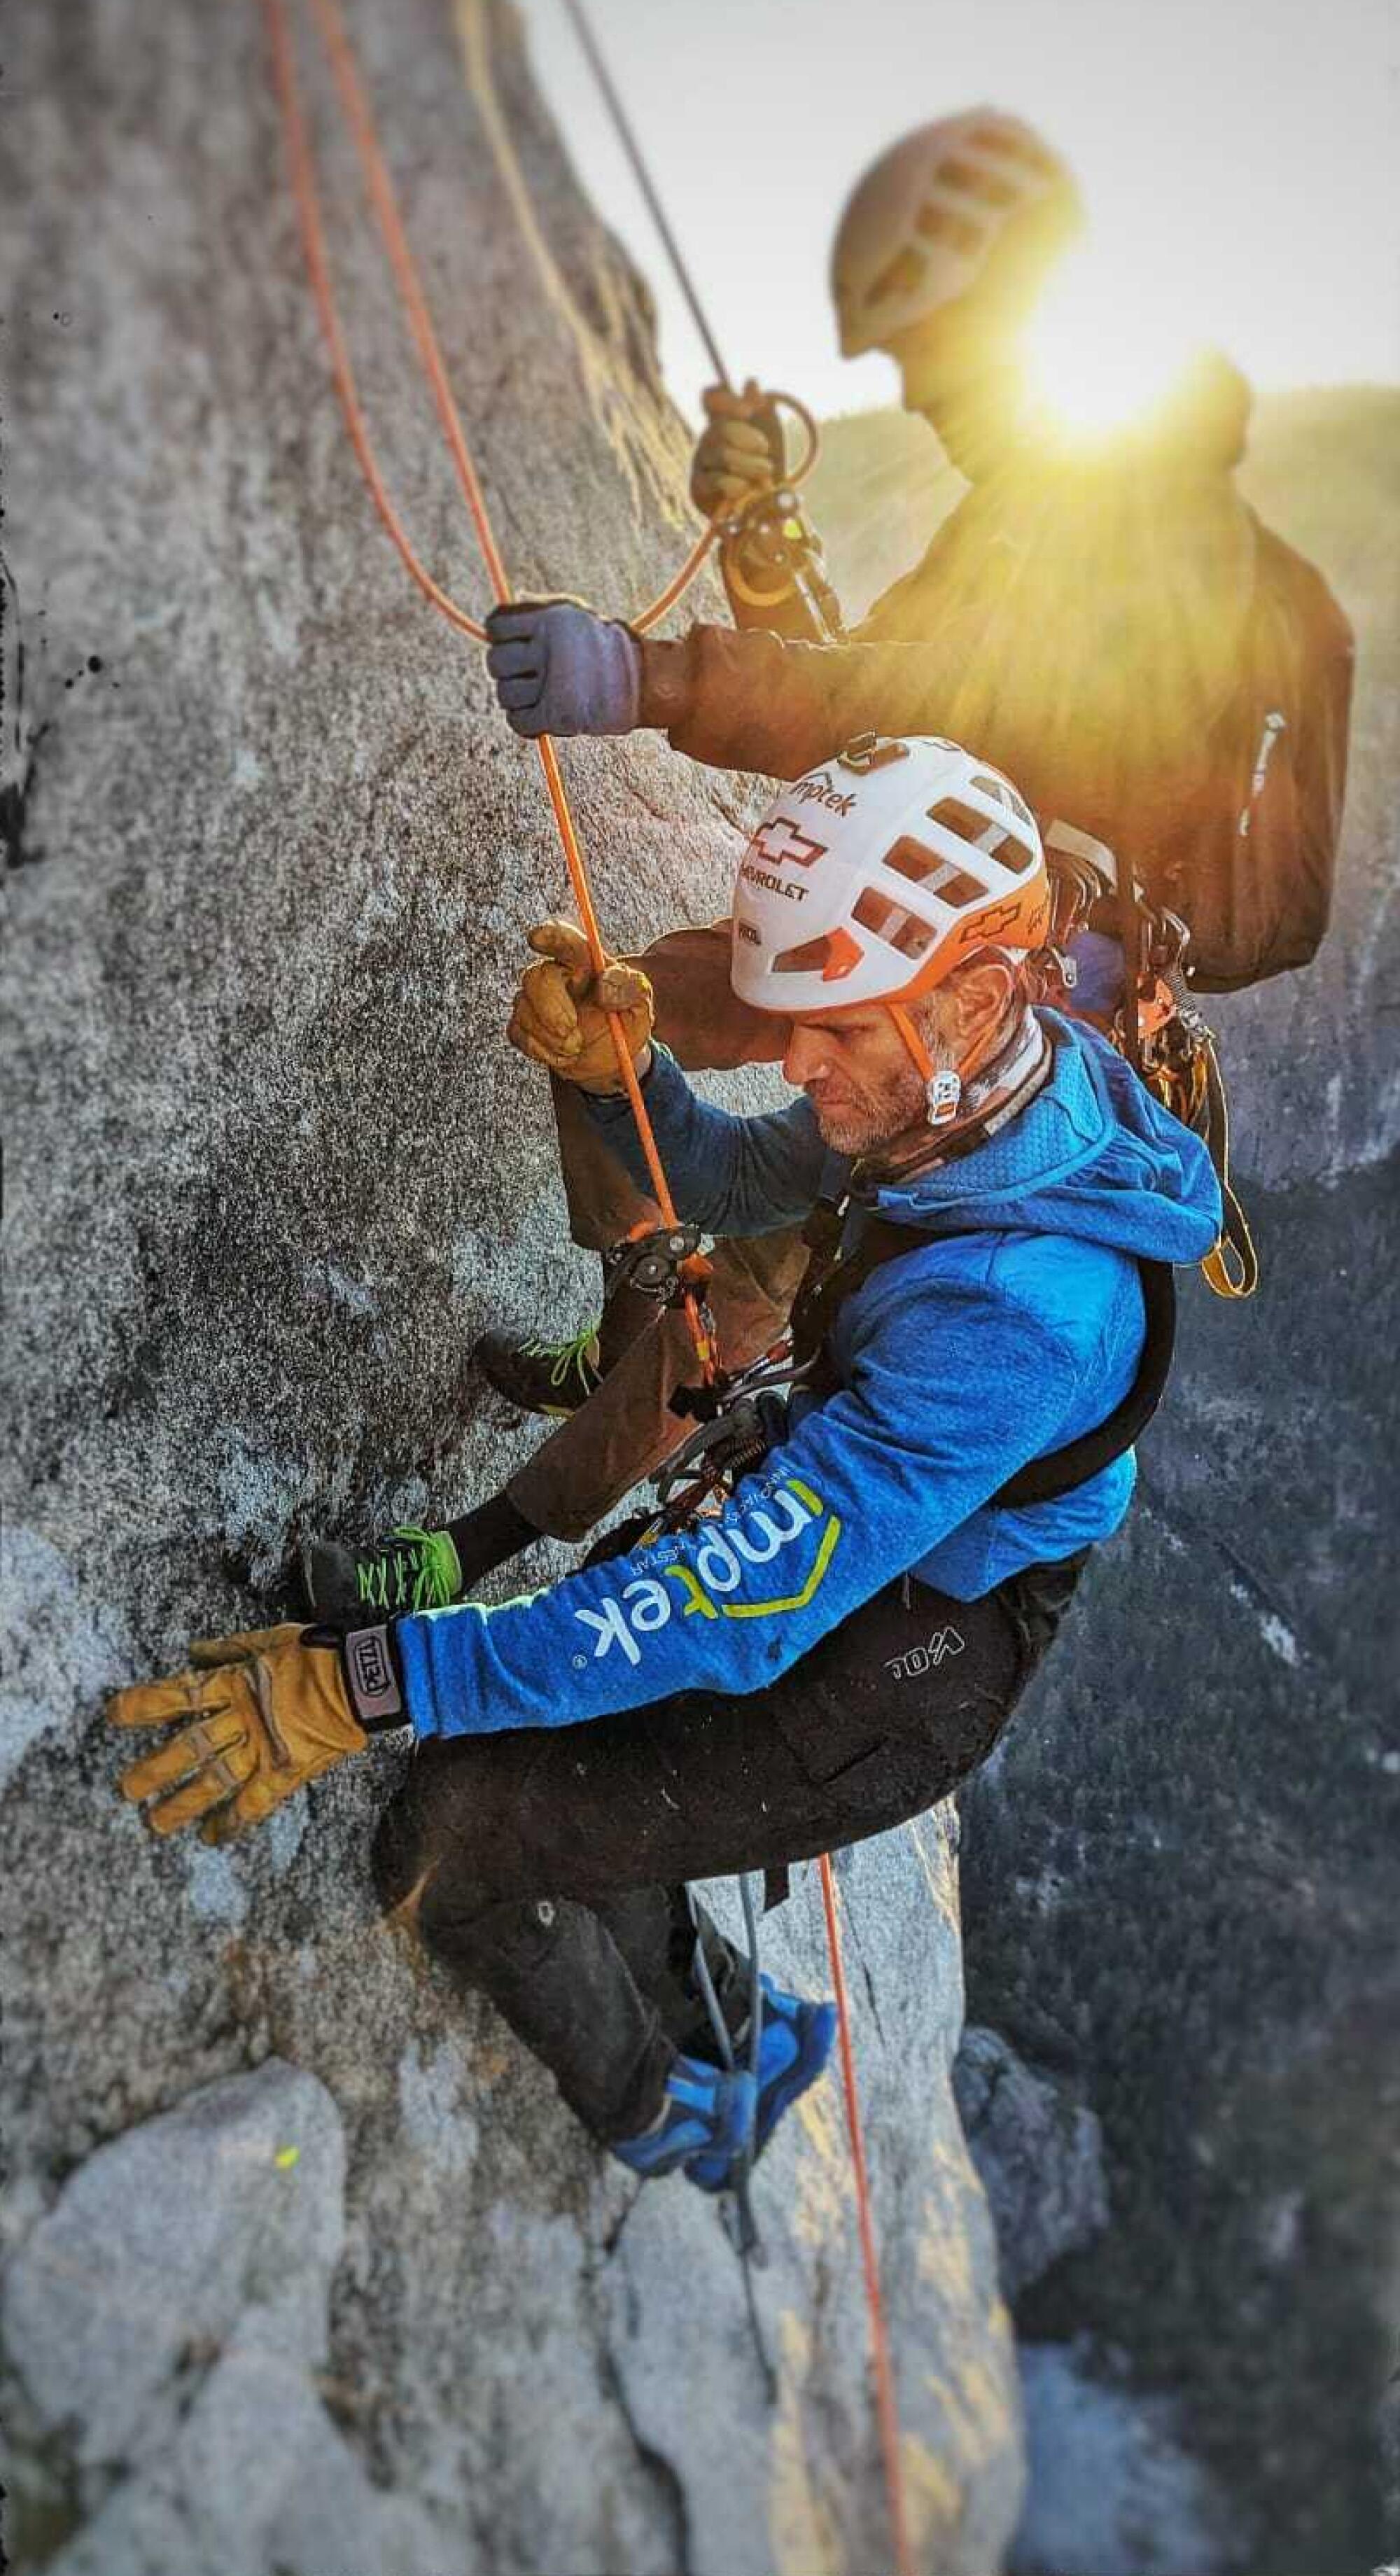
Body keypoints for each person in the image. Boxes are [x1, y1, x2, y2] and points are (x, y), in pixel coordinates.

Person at [111, 738, 1223, 2187]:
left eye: (837, 1031)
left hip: (919, 1659)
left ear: (971, 998)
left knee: (453, 1836)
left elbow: (725, 1606)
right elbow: (734, 1176)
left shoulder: (1022, 1310)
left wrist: (359, 1681)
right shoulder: (969, 1090)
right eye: (794, 1023)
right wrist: (615, 1077)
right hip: (879, 1526)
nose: (794, 1062)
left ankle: (668, 2114)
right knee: (573, 1723)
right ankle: (738, 2012)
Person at [300, 106, 1349, 1614]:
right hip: (911, 905)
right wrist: (758, 538)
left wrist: (657, 679)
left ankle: (484, 1547)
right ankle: (627, 1317)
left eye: (929, 349)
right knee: (621, 1008)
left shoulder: (1169, 549)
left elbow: (926, 700)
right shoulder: (1038, 511)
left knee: (754, 1289)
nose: (917, 393)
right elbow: (884, 674)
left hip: (993, 1010)